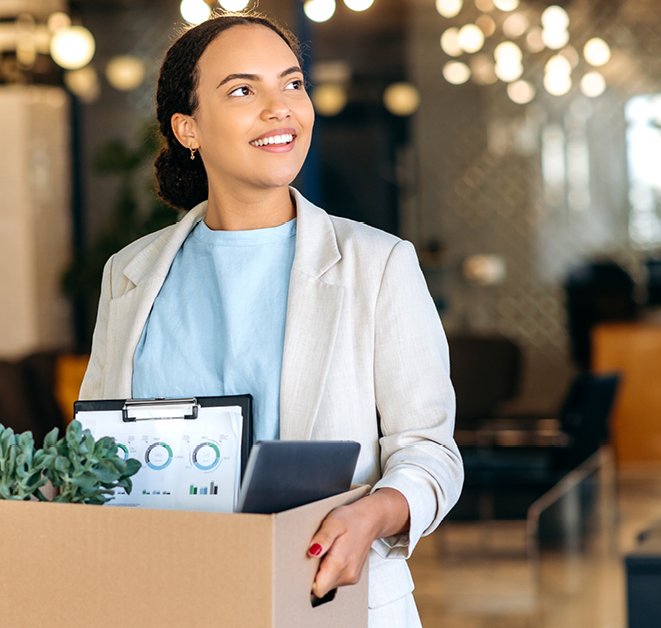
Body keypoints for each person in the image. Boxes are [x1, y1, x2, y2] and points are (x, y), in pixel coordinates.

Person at [78, 13, 462, 627]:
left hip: (333, 603)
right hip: (172, 601)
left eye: (291, 83)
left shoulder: (379, 264)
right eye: (242, 90)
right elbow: (95, 454)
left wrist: (373, 515)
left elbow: (429, 452)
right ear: (188, 128)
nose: (280, 107)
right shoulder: (128, 276)